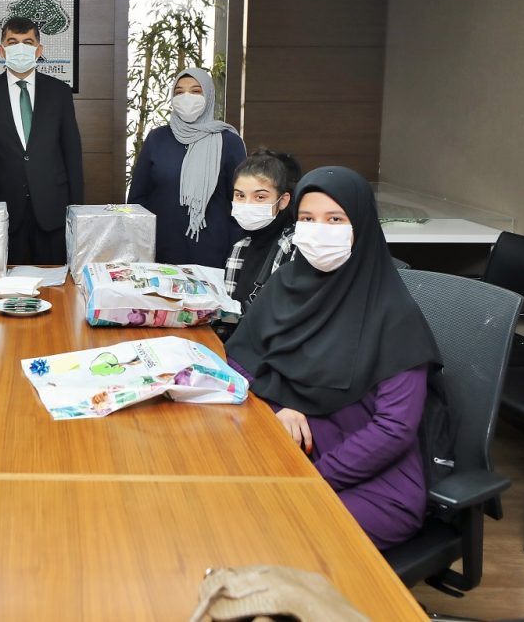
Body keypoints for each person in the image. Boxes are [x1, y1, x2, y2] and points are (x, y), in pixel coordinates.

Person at [223, 167, 440, 549]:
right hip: (289, 452)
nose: (318, 230)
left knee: (263, 533)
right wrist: (281, 408)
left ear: (362, 227)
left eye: (335, 220)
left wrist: (313, 478)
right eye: (307, 219)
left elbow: (394, 428)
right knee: (218, 507)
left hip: (370, 481)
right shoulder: (285, 285)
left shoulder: (393, 315)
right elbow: (239, 359)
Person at [0, 16, 84, 265]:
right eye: (12, 42)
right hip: (3, 212)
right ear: (1, 50)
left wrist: (77, 209)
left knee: (54, 280)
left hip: (52, 208)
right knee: (5, 282)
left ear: (38, 50)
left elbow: (72, 153)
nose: (20, 48)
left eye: (28, 42)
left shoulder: (60, 93)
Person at [127, 67, 246, 267]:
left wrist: (233, 253)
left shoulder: (229, 142)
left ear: (209, 96)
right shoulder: (157, 138)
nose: (186, 97)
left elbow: (239, 204)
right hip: (161, 250)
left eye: (196, 91)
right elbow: (137, 199)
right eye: (179, 92)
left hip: (212, 253)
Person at [225, 149, 302, 311]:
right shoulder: (241, 244)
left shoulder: (295, 245)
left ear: (283, 201)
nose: (247, 204)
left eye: (260, 197)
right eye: (240, 195)